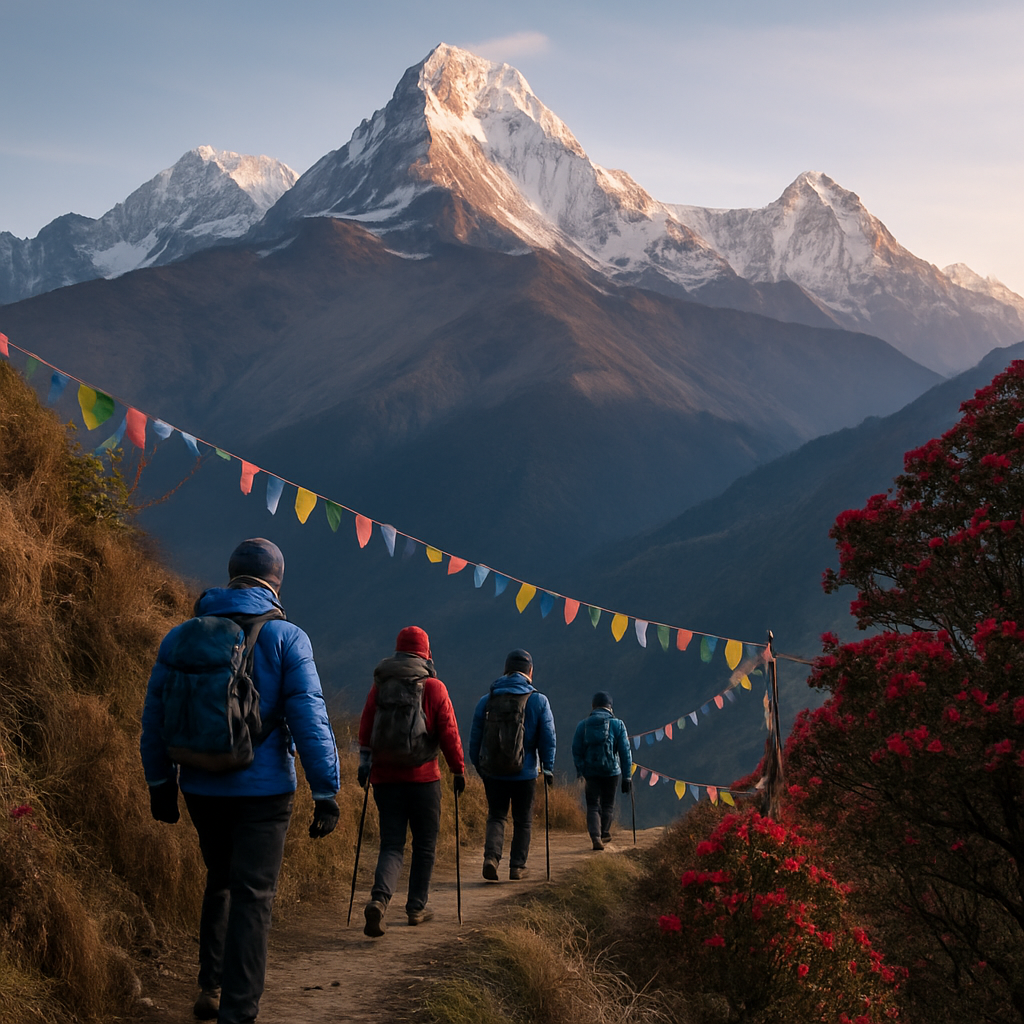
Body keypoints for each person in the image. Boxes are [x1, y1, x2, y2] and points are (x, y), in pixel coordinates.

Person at [140, 538, 341, 1024]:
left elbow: (156, 718)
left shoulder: (181, 636)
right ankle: (238, 1012)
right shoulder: (288, 637)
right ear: (276, 582)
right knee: (254, 896)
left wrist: (160, 784)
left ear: (230, 576)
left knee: (220, 880)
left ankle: (211, 985)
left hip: (199, 785)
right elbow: (309, 718)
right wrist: (326, 791)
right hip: (264, 791)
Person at [357, 626, 465, 937]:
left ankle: (379, 900)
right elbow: (448, 731)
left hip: (384, 778)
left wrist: (364, 765)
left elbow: (366, 726)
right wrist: (458, 769)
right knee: (424, 845)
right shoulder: (433, 687)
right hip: (423, 779)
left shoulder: (380, 684)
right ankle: (416, 907)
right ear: (426, 652)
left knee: (391, 844)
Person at [469, 649, 556, 881]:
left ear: (505, 670)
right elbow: (548, 738)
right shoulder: (538, 701)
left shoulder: (486, 701)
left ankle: (491, 858)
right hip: (525, 773)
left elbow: (475, 739)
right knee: (523, 820)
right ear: (530, 672)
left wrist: (481, 768)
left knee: (496, 816)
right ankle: (517, 866)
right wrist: (547, 767)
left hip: (494, 772)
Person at [571, 691, 632, 850]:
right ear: (610, 707)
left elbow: (576, 750)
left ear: (593, 706)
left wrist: (581, 770)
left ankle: (595, 837)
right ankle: (604, 832)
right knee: (607, 805)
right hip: (612, 772)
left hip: (590, 772)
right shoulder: (618, 725)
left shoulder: (583, 725)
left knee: (592, 805)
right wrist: (627, 777)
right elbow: (625, 752)